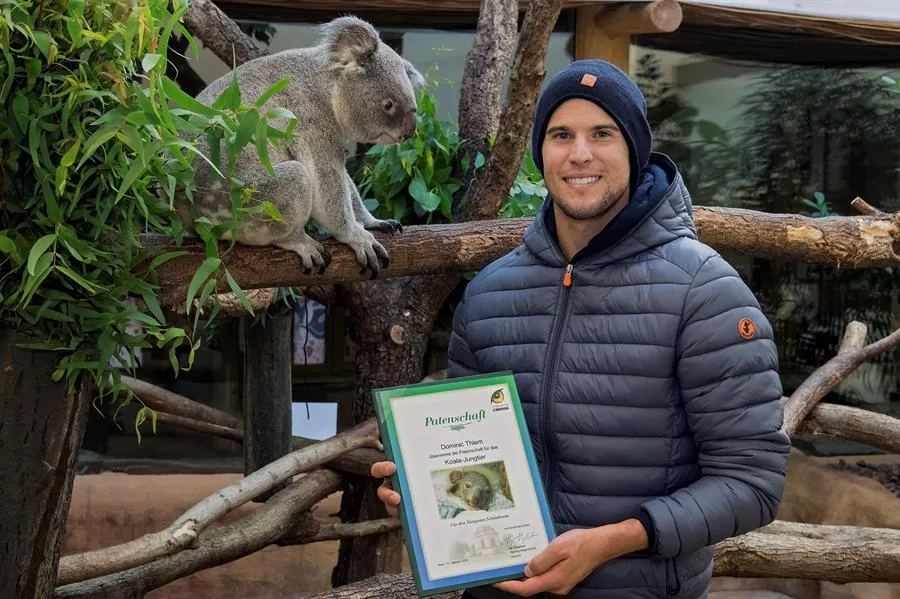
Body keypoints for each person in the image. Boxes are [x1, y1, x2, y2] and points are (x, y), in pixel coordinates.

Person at [371, 59, 791, 599]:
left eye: (602, 134)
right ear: (540, 151)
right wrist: (427, 495)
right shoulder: (489, 293)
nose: (580, 154)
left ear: (634, 150)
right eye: (561, 135)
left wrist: (614, 541)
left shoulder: (705, 291)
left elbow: (752, 483)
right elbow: (471, 451)